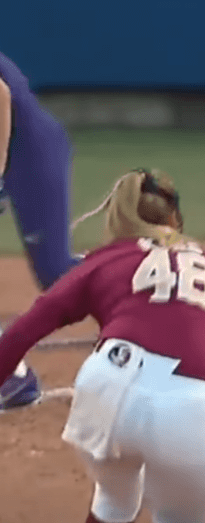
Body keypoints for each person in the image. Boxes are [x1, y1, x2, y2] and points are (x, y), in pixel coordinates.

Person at [0, 168, 205, 523]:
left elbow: (24, 330)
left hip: (106, 389)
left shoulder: (106, 259)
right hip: (189, 406)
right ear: (175, 215)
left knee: (114, 501)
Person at [0, 50, 89, 408]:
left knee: (56, 273)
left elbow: (0, 96)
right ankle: (12, 376)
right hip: (16, 153)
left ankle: (143, 276)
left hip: (30, 154)